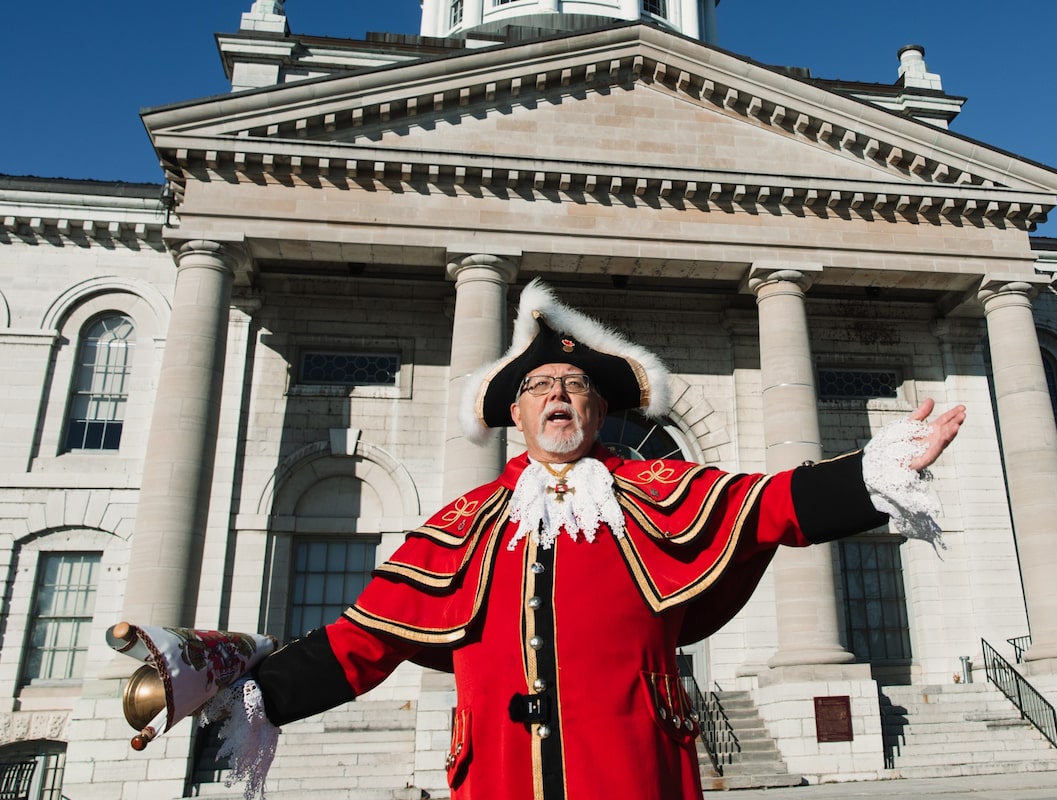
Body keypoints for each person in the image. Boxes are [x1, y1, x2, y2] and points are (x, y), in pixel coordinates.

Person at [234, 279, 965, 800]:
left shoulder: (658, 492)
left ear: (600, 407)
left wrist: (880, 464)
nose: (558, 395)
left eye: (576, 386)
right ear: (514, 414)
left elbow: (770, 503)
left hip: (633, 778)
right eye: (540, 387)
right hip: (498, 783)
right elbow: (364, 641)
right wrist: (250, 693)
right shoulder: (458, 527)